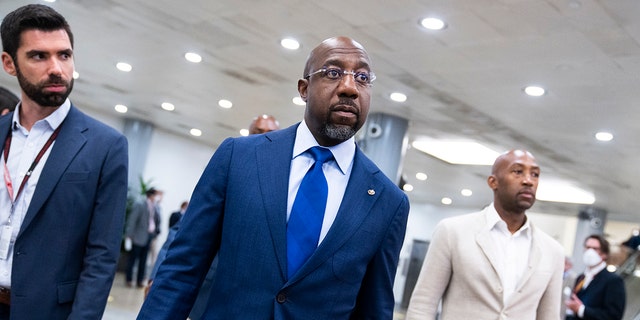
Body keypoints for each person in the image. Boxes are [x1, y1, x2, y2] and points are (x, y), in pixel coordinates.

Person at [138, 36, 410, 319]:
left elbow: (375, 309)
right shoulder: (238, 158)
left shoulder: (387, 201)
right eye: (333, 73)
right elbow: (182, 268)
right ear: (304, 89)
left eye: (363, 77)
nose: (349, 87)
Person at [0, 4, 129, 319]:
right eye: (38, 56)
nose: (56, 68)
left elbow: (101, 256)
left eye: (64, 55)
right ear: (9, 63)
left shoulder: (105, 146)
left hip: (44, 310)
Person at [145, 115, 281, 319]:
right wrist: (157, 276)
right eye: (258, 132)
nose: (264, 138)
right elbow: (184, 234)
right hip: (206, 290)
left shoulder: (283, 182)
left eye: (270, 134)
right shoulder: (232, 167)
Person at [406, 149, 565, 320]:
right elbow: (423, 303)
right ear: (493, 182)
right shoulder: (453, 231)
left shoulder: (552, 250)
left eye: (535, 174)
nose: (528, 181)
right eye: (518, 172)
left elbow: (549, 316)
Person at [565, 234, 626, 320]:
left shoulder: (613, 281)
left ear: (604, 254)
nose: (590, 252)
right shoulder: (581, 277)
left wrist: (582, 310)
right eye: (588, 247)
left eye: (595, 249)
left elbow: (614, 316)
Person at [125, 188, 161, 288]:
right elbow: (132, 220)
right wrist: (129, 235)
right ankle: (129, 279)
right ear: (150, 195)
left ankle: (140, 281)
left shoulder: (155, 207)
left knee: (143, 261)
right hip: (138, 236)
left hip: (149, 237)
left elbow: (156, 220)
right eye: (155, 195)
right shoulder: (140, 205)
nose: (156, 197)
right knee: (133, 260)